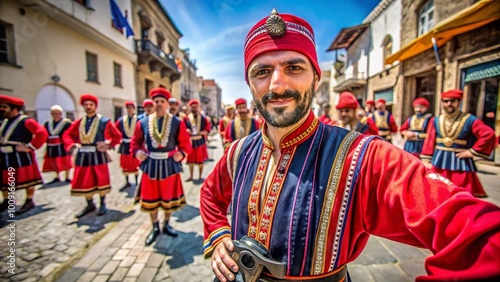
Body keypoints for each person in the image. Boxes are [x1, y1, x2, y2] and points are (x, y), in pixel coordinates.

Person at [199, 10, 500, 282]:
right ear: (250, 83)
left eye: (294, 67)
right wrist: (218, 233)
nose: (277, 84)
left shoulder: (363, 156)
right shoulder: (238, 152)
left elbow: (480, 235)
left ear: (316, 78)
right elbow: (210, 195)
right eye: (262, 72)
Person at [130, 88, 192, 245]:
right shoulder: (142, 122)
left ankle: (166, 224)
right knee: (151, 198)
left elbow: (185, 144)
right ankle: (155, 226)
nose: (158, 104)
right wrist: (137, 152)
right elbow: (135, 142)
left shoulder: (177, 123)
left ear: (167, 104)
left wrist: (183, 153)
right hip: (150, 165)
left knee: (168, 197)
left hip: (169, 166)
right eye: (156, 102)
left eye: (162, 102)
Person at [421, 89, 496, 198]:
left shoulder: (469, 119)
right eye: (445, 101)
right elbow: (430, 140)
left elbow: (488, 134)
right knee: (436, 191)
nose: (449, 104)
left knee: (462, 194)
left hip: (460, 162)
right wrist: (426, 159)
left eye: (452, 101)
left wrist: (472, 151)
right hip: (439, 161)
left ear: (458, 102)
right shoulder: (436, 120)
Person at [63, 94, 122, 218]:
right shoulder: (78, 123)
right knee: (85, 179)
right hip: (83, 155)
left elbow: (117, 135)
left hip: (97, 154)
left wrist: (108, 145)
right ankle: (89, 204)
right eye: (86, 105)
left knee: (101, 178)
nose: (89, 107)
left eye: (91, 105)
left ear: (95, 106)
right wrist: (71, 145)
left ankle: (103, 204)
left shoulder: (104, 121)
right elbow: (67, 134)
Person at [0, 95, 48, 214]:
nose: (2, 109)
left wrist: (30, 147)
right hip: (4, 155)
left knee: (27, 178)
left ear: (14, 108)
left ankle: (29, 200)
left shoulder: (26, 121)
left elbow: (41, 133)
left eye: (5, 107)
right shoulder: (2, 121)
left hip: (21, 154)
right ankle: (7, 200)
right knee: (5, 179)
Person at [42, 105, 73, 184]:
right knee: (54, 161)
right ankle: (57, 176)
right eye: (55, 113)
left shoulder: (66, 123)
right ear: (52, 114)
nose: (57, 115)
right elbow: (44, 133)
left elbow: (70, 133)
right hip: (52, 145)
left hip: (63, 145)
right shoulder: (48, 123)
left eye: (58, 113)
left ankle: (67, 177)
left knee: (65, 160)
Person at [115, 101, 139, 191]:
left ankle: (137, 182)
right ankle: (127, 181)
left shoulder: (138, 119)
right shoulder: (121, 120)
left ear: (134, 109)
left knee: (135, 162)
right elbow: (115, 131)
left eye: (131, 108)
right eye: (128, 108)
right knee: (125, 163)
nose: (129, 110)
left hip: (134, 144)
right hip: (124, 144)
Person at [186, 99, 211, 181]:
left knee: (201, 161)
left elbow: (208, 126)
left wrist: (205, 131)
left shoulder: (203, 118)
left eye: (195, 107)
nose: (194, 108)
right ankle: (191, 176)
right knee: (190, 161)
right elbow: (182, 127)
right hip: (190, 141)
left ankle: (200, 176)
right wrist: (186, 130)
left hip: (200, 141)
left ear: (198, 107)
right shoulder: (187, 118)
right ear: (190, 107)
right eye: (192, 107)